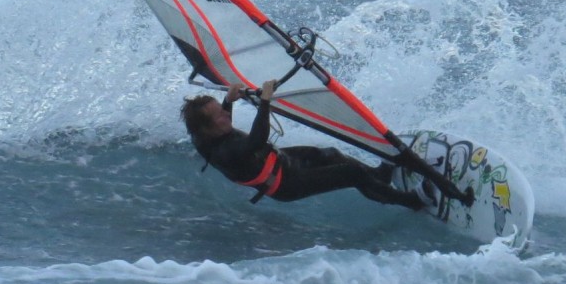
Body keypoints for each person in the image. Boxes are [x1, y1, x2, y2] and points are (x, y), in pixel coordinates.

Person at [182, 79, 425, 210]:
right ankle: (408, 201)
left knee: (327, 154)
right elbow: (257, 140)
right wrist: (265, 102)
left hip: (278, 163)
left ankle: (377, 177)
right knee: (350, 173)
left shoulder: (203, 134)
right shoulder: (225, 151)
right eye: (220, 115)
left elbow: (223, 122)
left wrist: (228, 100)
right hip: (286, 184)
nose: (226, 116)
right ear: (208, 127)